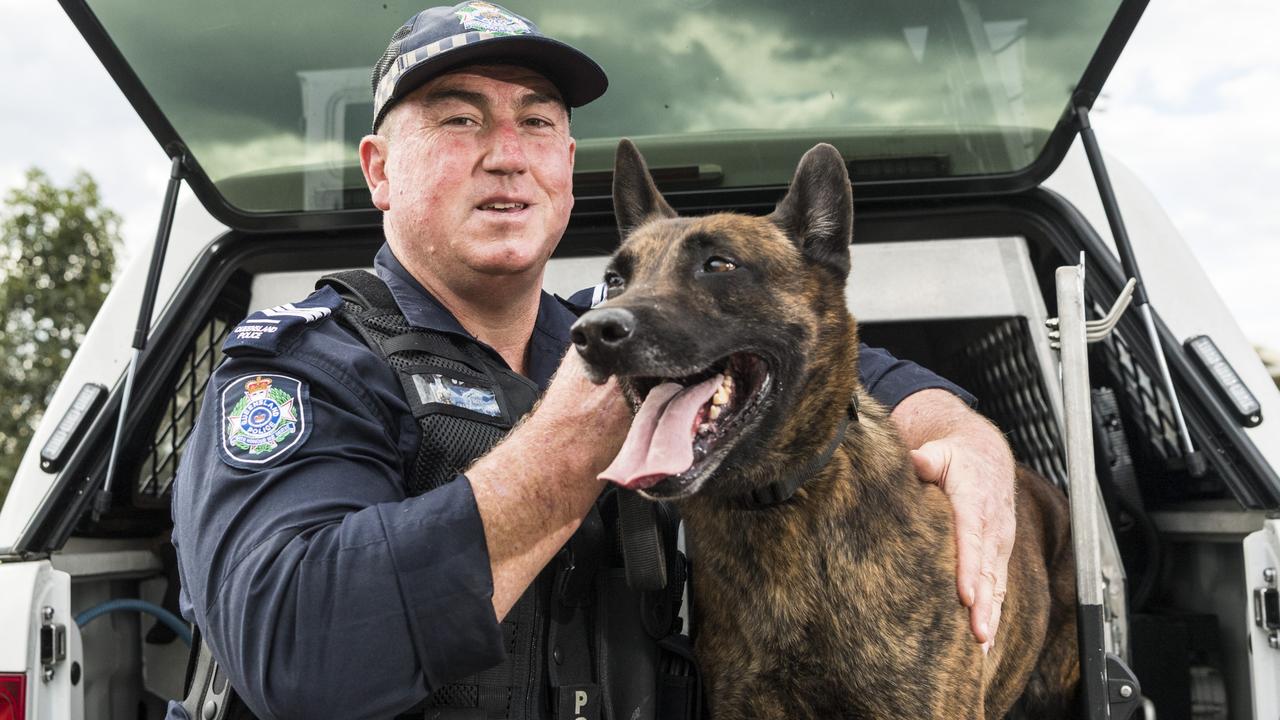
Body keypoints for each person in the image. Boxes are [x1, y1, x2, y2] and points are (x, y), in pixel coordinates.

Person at [167, 3, 1017, 718]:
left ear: (564, 168)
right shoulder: (306, 364)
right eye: (459, 119)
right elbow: (294, 650)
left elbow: (823, 353)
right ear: (380, 171)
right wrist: (567, 449)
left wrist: (958, 428)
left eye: (536, 121)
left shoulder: (610, 337)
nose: (507, 151)